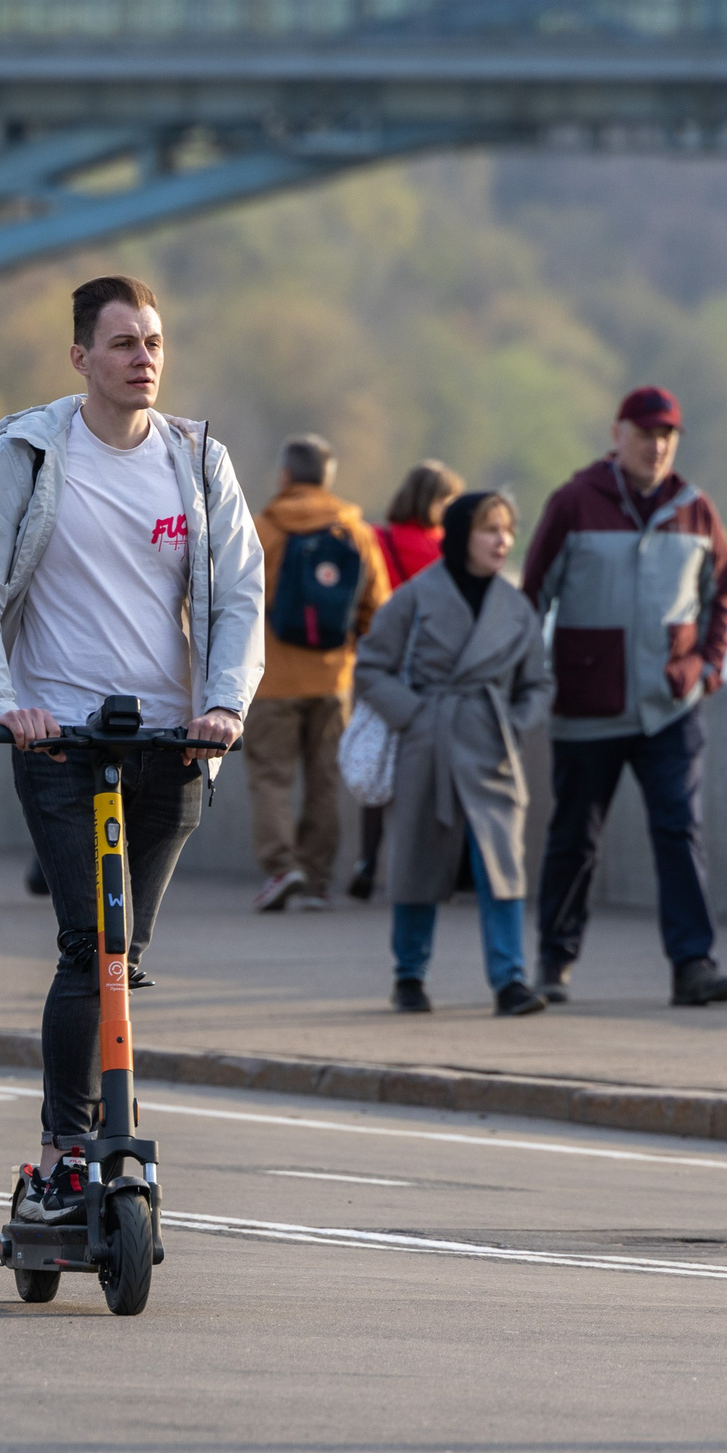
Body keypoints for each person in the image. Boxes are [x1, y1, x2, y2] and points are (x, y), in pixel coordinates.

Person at [0, 275, 262, 1223]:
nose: (145, 359)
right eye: (125, 343)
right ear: (80, 358)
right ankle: (62, 1153)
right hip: (61, 738)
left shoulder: (195, 460)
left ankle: (103, 1140)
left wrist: (222, 706)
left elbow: (241, 591)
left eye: (156, 342)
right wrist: (2, 703)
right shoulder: (25, 453)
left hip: (173, 743)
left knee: (125, 952)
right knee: (90, 943)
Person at [522, 385, 727, 1008]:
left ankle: (693, 965)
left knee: (679, 830)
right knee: (574, 838)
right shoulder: (573, 502)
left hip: (670, 704)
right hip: (589, 706)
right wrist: (525, 677)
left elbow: (721, 589)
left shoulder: (696, 509)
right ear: (618, 434)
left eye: (667, 434)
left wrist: (709, 666)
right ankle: (554, 963)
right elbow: (532, 595)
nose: (658, 445)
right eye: (645, 433)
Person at [355, 492, 555, 1016]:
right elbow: (371, 665)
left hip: (493, 748)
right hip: (431, 744)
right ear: (463, 532)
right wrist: (416, 715)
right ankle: (409, 976)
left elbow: (537, 682)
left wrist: (513, 723)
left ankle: (511, 981)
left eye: (508, 531)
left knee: (502, 868)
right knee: (418, 863)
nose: (502, 541)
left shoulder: (516, 607)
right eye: (490, 529)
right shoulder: (416, 596)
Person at [244, 433, 390, 914]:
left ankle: (283, 868)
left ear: (284, 476)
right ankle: (319, 882)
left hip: (272, 678)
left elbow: (234, 603)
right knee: (325, 781)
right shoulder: (356, 532)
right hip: (334, 680)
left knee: (271, 778)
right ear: (328, 478)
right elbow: (376, 612)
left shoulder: (263, 529)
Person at [348, 460, 466, 900]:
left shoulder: (376, 538)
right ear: (436, 501)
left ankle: (366, 861)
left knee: (378, 763)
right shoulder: (447, 548)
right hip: (432, 671)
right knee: (433, 771)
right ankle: (428, 868)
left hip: (382, 664)